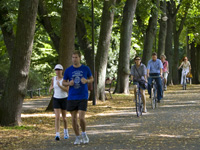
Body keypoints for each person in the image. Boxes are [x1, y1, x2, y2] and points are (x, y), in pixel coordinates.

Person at [63, 50, 94, 145]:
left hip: (83, 96)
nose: (74, 59)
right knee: (73, 119)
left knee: (81, 117)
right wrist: (69, 83)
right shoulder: (68, 70)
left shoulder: (85, 68)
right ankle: (77, 137)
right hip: (72, 97)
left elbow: (92, 78)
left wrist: (87, 81)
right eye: (73, 57)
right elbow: (64, 82)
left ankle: (84, 134)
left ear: (80, 58)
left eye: (76, 57)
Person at [49, 64, 69, 141]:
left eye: (59, 70)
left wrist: (60, 86)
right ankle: (57, 134)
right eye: (56, 70)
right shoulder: (53, 78)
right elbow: (52, 86)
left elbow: (67, 90)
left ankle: (66, 132)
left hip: (64, 99)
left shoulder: (65, 79)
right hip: (56, 99)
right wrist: (50, 89)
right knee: (57, 117)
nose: (57, 71)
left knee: (64, 118)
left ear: (62, 70)